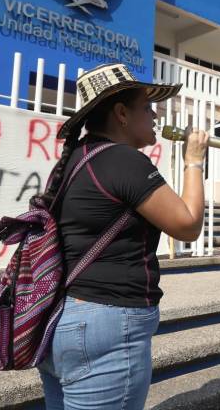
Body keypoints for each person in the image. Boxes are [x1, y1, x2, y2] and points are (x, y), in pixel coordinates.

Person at [36, 63, 209, 410]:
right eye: (147, 106)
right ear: (121, 113)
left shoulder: (80, 159)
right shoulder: (124, 161)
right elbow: (187, 225)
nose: (155, 114)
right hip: (107, 326)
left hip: (64, 321)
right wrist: (194, 161)